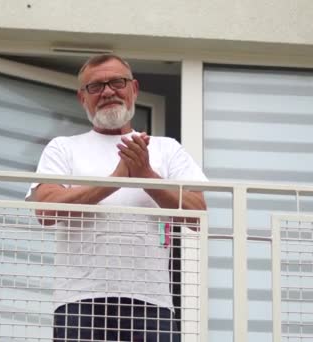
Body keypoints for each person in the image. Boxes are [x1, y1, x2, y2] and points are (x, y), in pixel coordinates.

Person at [27, 54, 207, 341]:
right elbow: (46, 210)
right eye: (95, 87)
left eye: (116, 82)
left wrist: (145, 175)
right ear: (82, 98)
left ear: (134, 88)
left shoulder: (166, 148)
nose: (108, 91)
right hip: (80, 299)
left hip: (151, 302)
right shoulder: (63, 147)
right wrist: (116, 180)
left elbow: (198, 213)